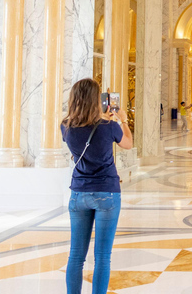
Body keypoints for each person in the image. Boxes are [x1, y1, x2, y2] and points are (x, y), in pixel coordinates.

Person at [61, 78, 133, 294]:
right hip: (107, 193)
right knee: (102, 257)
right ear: (96, 100)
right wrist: (123, 120)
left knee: (76, 256)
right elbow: (128, 144)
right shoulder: (109, 127)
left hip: (79, 193)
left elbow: (82, 144)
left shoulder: (66, 126)